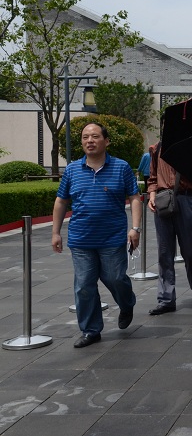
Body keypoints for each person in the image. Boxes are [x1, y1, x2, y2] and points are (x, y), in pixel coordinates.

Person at [51, 122, 140, 348]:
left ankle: (127, 303)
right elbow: (61, 201)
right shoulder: (72, 170)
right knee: (84, 286)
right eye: (85, 137)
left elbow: (134, 197)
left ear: (106, 141)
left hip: (112, 238)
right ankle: (91, 330)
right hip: (81, 239)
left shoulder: (121, 167)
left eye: (95, 136)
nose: (89, 141)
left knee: (115, 279)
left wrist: (135, 228)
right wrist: (55, 232)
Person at [146, 140, 192, 315]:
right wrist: (152, 196)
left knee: (189, 251)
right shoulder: (156, 149)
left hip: (186, 198)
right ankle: (166, 299)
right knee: (164, 252)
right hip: (163, 199)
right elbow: (152, 177)